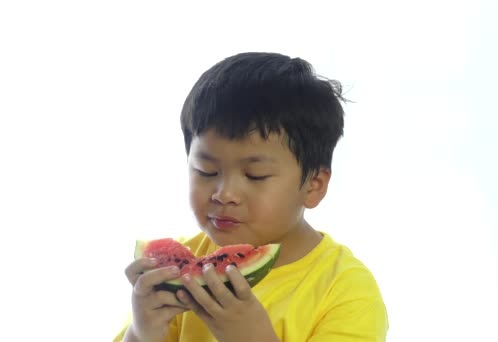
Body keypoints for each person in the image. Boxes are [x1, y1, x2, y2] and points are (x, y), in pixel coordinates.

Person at [114, 52, 388, 342]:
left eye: (255, 176)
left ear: (314, 185)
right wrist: (143, 331)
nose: (225, 194)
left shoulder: (347, 292)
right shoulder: (173, 272)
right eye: (206, 171)